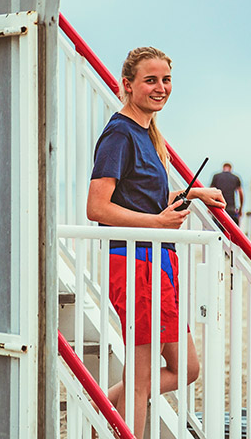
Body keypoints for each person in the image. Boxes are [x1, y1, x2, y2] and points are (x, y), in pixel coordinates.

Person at [86, 46, 226, 437]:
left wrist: (193, 194)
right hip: (135, 264)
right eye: (151, 80)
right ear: (128, 85)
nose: (160, 87)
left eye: (165, 80)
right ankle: (111, 414)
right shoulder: (119, 133)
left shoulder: (149, 133)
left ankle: (103, 407)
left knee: (187, 368)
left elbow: (142, 200)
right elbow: (96, 207)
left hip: (158, 264)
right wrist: (157, 223)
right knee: (142, 376)